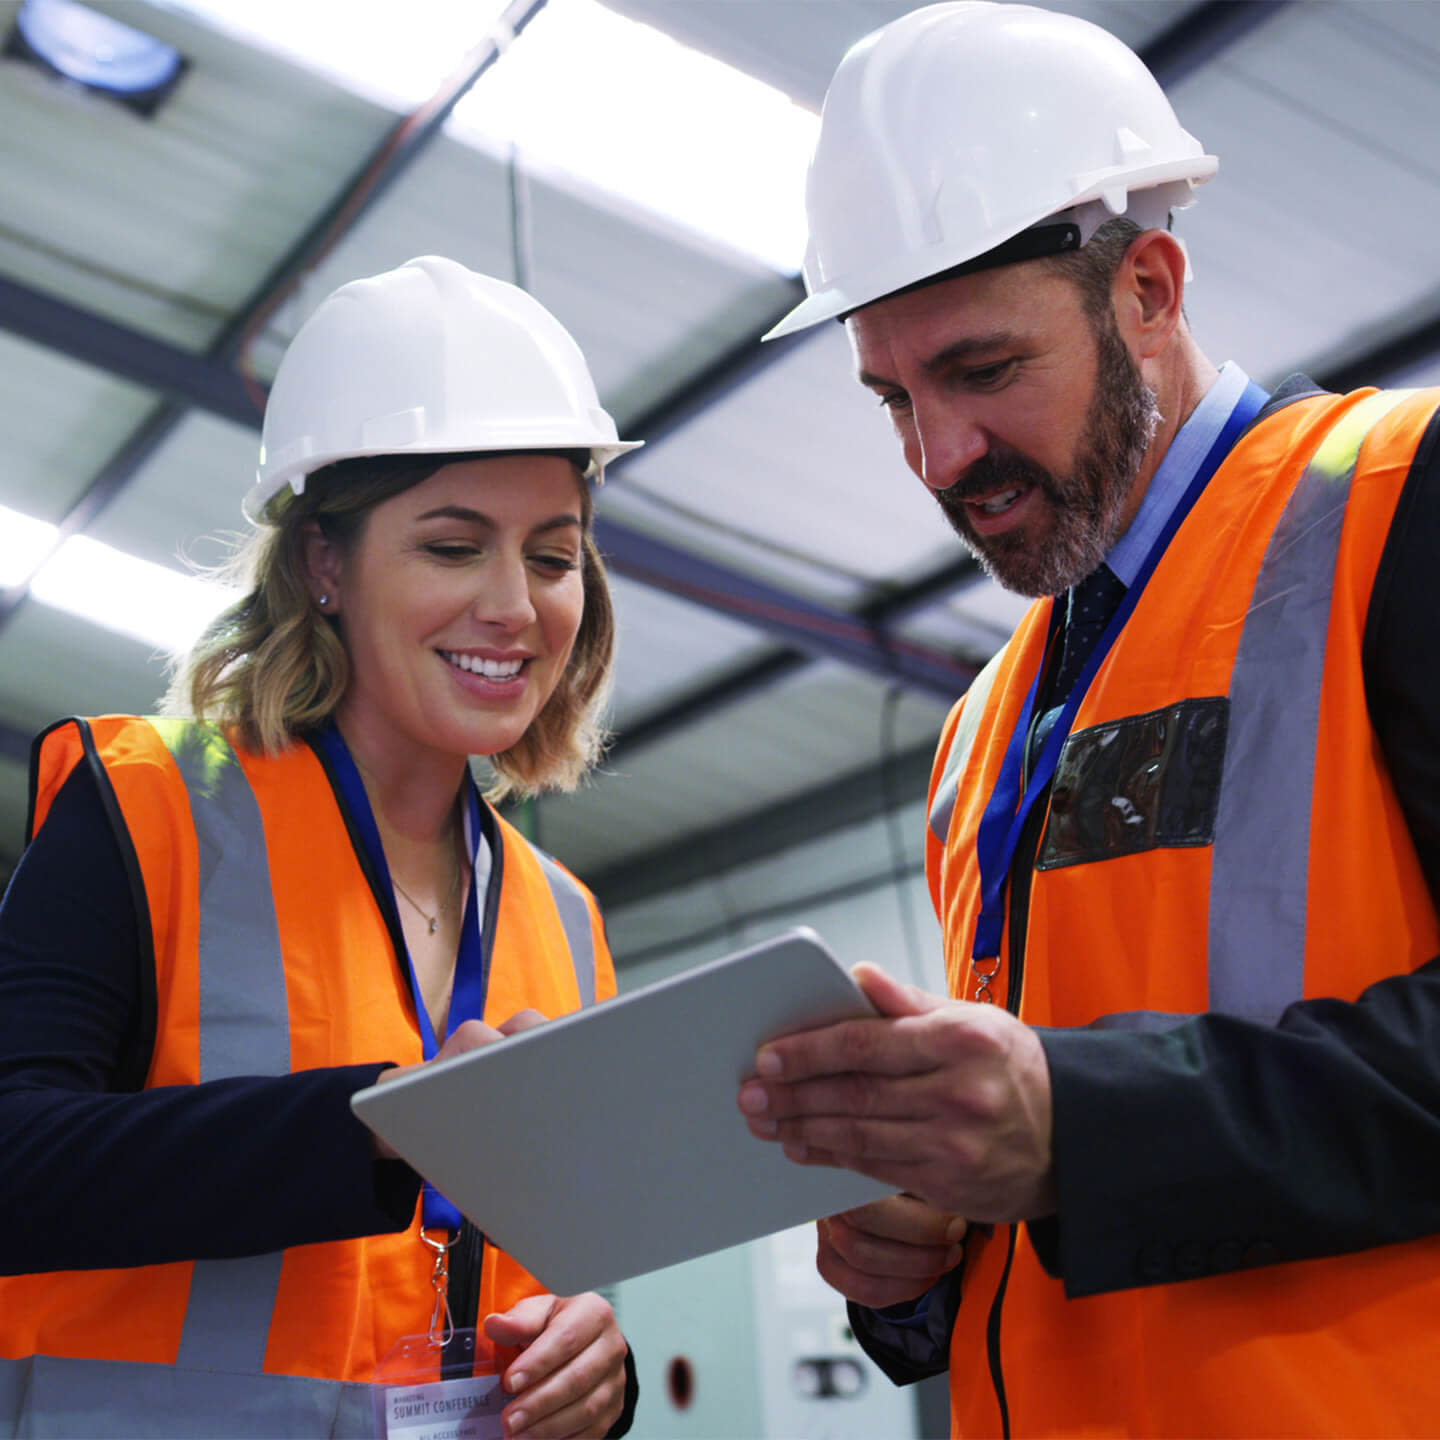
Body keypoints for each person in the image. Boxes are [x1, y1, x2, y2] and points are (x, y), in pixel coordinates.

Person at [735, 5, 1440, 1436]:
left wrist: (1087, 1126)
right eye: (892, 397)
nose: (939, 458)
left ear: (1149, 291)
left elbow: (1082, 1124)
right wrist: (917, 1247)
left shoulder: (1398, 502)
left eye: (983, 371)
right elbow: (1040, 1187)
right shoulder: (982, 730)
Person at [0, 255, 642, 1439]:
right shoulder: (145, 806)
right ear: (323, 564)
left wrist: (598, 1371)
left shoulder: (563, 919)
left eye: (553, 556)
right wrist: (383, 1125)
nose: (516, 604)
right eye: (454, 546)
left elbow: (557, 1266)